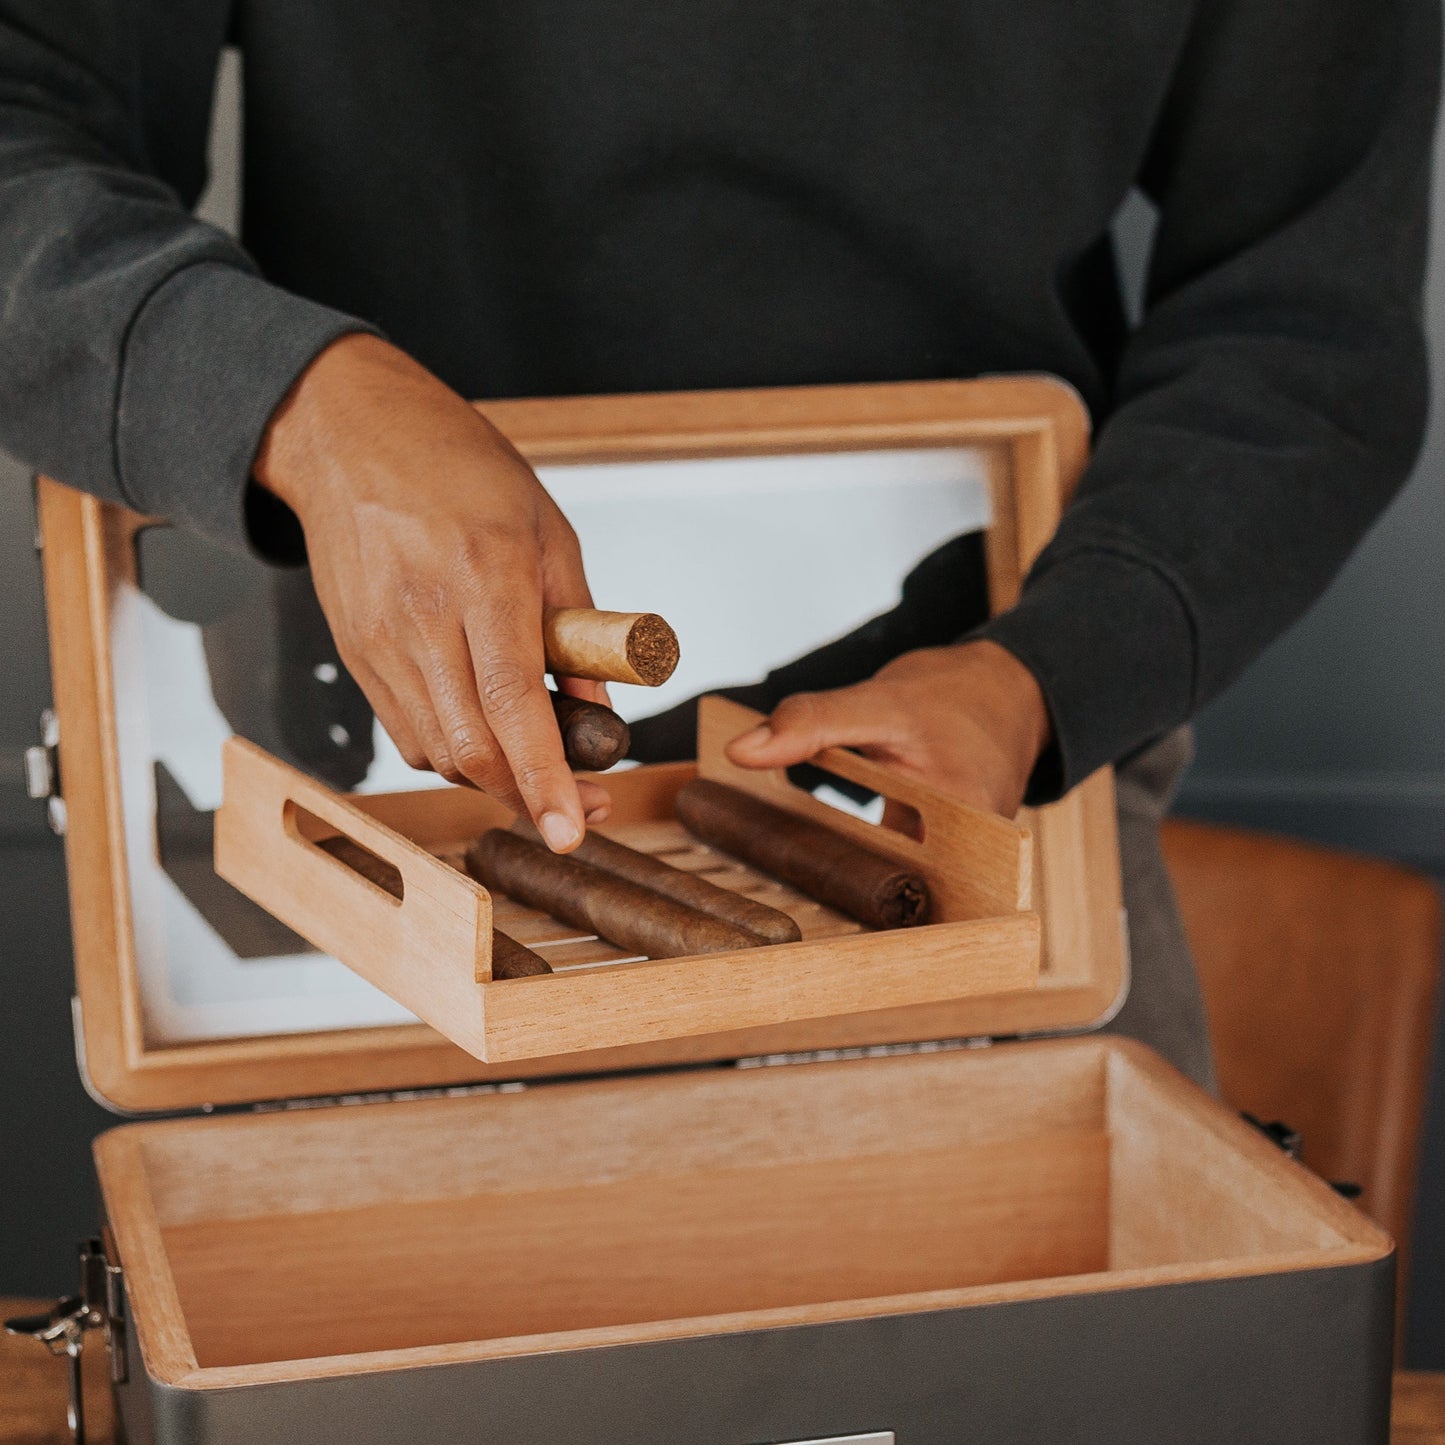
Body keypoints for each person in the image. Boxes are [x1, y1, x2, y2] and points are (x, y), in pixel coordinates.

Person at [0, 0, 1436, 1087]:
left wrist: (1050, 674)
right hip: (385, 765)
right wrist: (308, 408)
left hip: (990, 757)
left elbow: (1306, 328)